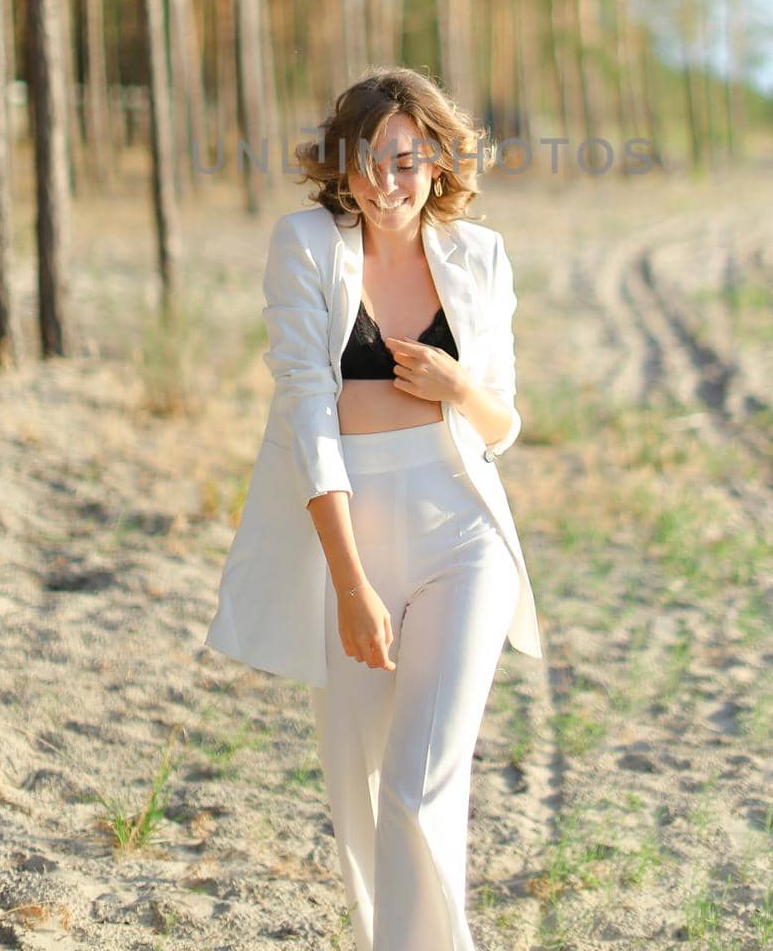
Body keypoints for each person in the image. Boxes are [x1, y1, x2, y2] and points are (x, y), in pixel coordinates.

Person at [204, 66, 542, 951]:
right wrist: (351, 584)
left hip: (462, 528)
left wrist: (458, 384)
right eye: (365, 162)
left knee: (421, 781)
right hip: (348, 536)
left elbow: (502, 426)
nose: (384, 183)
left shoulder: (481, 254)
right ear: (340, 167)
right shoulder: (305, 243)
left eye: (403, 160)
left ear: (434, 159)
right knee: (357, 792)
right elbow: (305, 412)